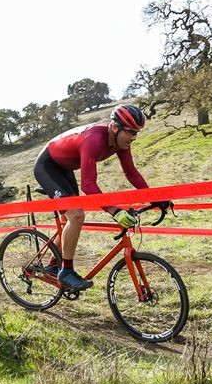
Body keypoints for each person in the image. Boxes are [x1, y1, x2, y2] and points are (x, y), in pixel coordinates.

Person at [32, 104, 171, 291]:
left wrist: (154, 197)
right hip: (48, 167)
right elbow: (88, 185)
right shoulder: (94, 139)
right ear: (115, 127)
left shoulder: (121, 142)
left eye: (137, 133)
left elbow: (131, 173)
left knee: (69, 221)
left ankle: (52, 266)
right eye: (130, 132)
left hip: (65, 168)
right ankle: (66, 272)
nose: (133, 137)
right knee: (77, 215)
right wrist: (114, 211)